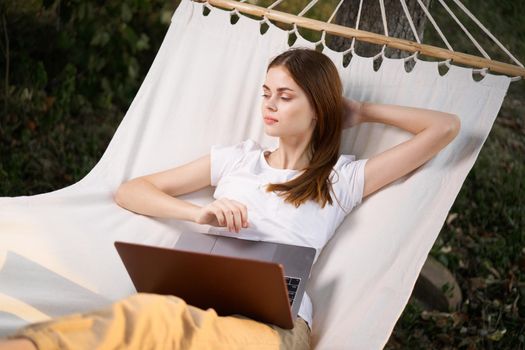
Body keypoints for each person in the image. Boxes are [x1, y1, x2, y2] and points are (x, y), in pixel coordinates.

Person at [0, 47, 460, 350]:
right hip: (199, 303)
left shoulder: (341, 179)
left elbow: (444, 128)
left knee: (153, 318)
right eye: (266, 94)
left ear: (318, 107)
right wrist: (200, 212)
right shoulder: (238, 160)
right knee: (149, 316)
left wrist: (357, 112)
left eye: (285, 96)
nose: (269, 106)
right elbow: (132, 191)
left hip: (273, 326)